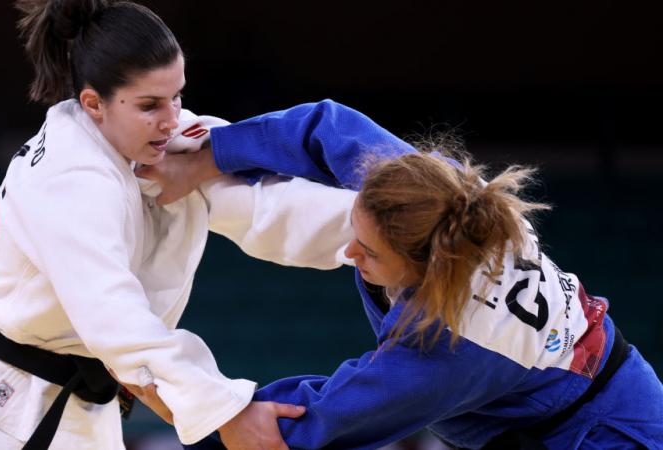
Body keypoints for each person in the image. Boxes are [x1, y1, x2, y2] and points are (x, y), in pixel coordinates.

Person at [0, 2, 353, 449]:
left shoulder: (155, 137)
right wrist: (228, 412)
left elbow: (262, 203)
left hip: (80, 401)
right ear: (94, 103)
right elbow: (116, 318)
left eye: (177, 96)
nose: (171, 119)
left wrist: (379, 230)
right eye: (151, 104)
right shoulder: (67, 177)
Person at [138, 100, 663, 449]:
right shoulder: (429, 191)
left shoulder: (447, 352)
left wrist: (161, 385)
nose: (348, 250)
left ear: (428, 270)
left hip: (600, 433)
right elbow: (325, 124)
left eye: (368, 250)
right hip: (577, 393)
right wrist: (209, 159)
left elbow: (300, 424)